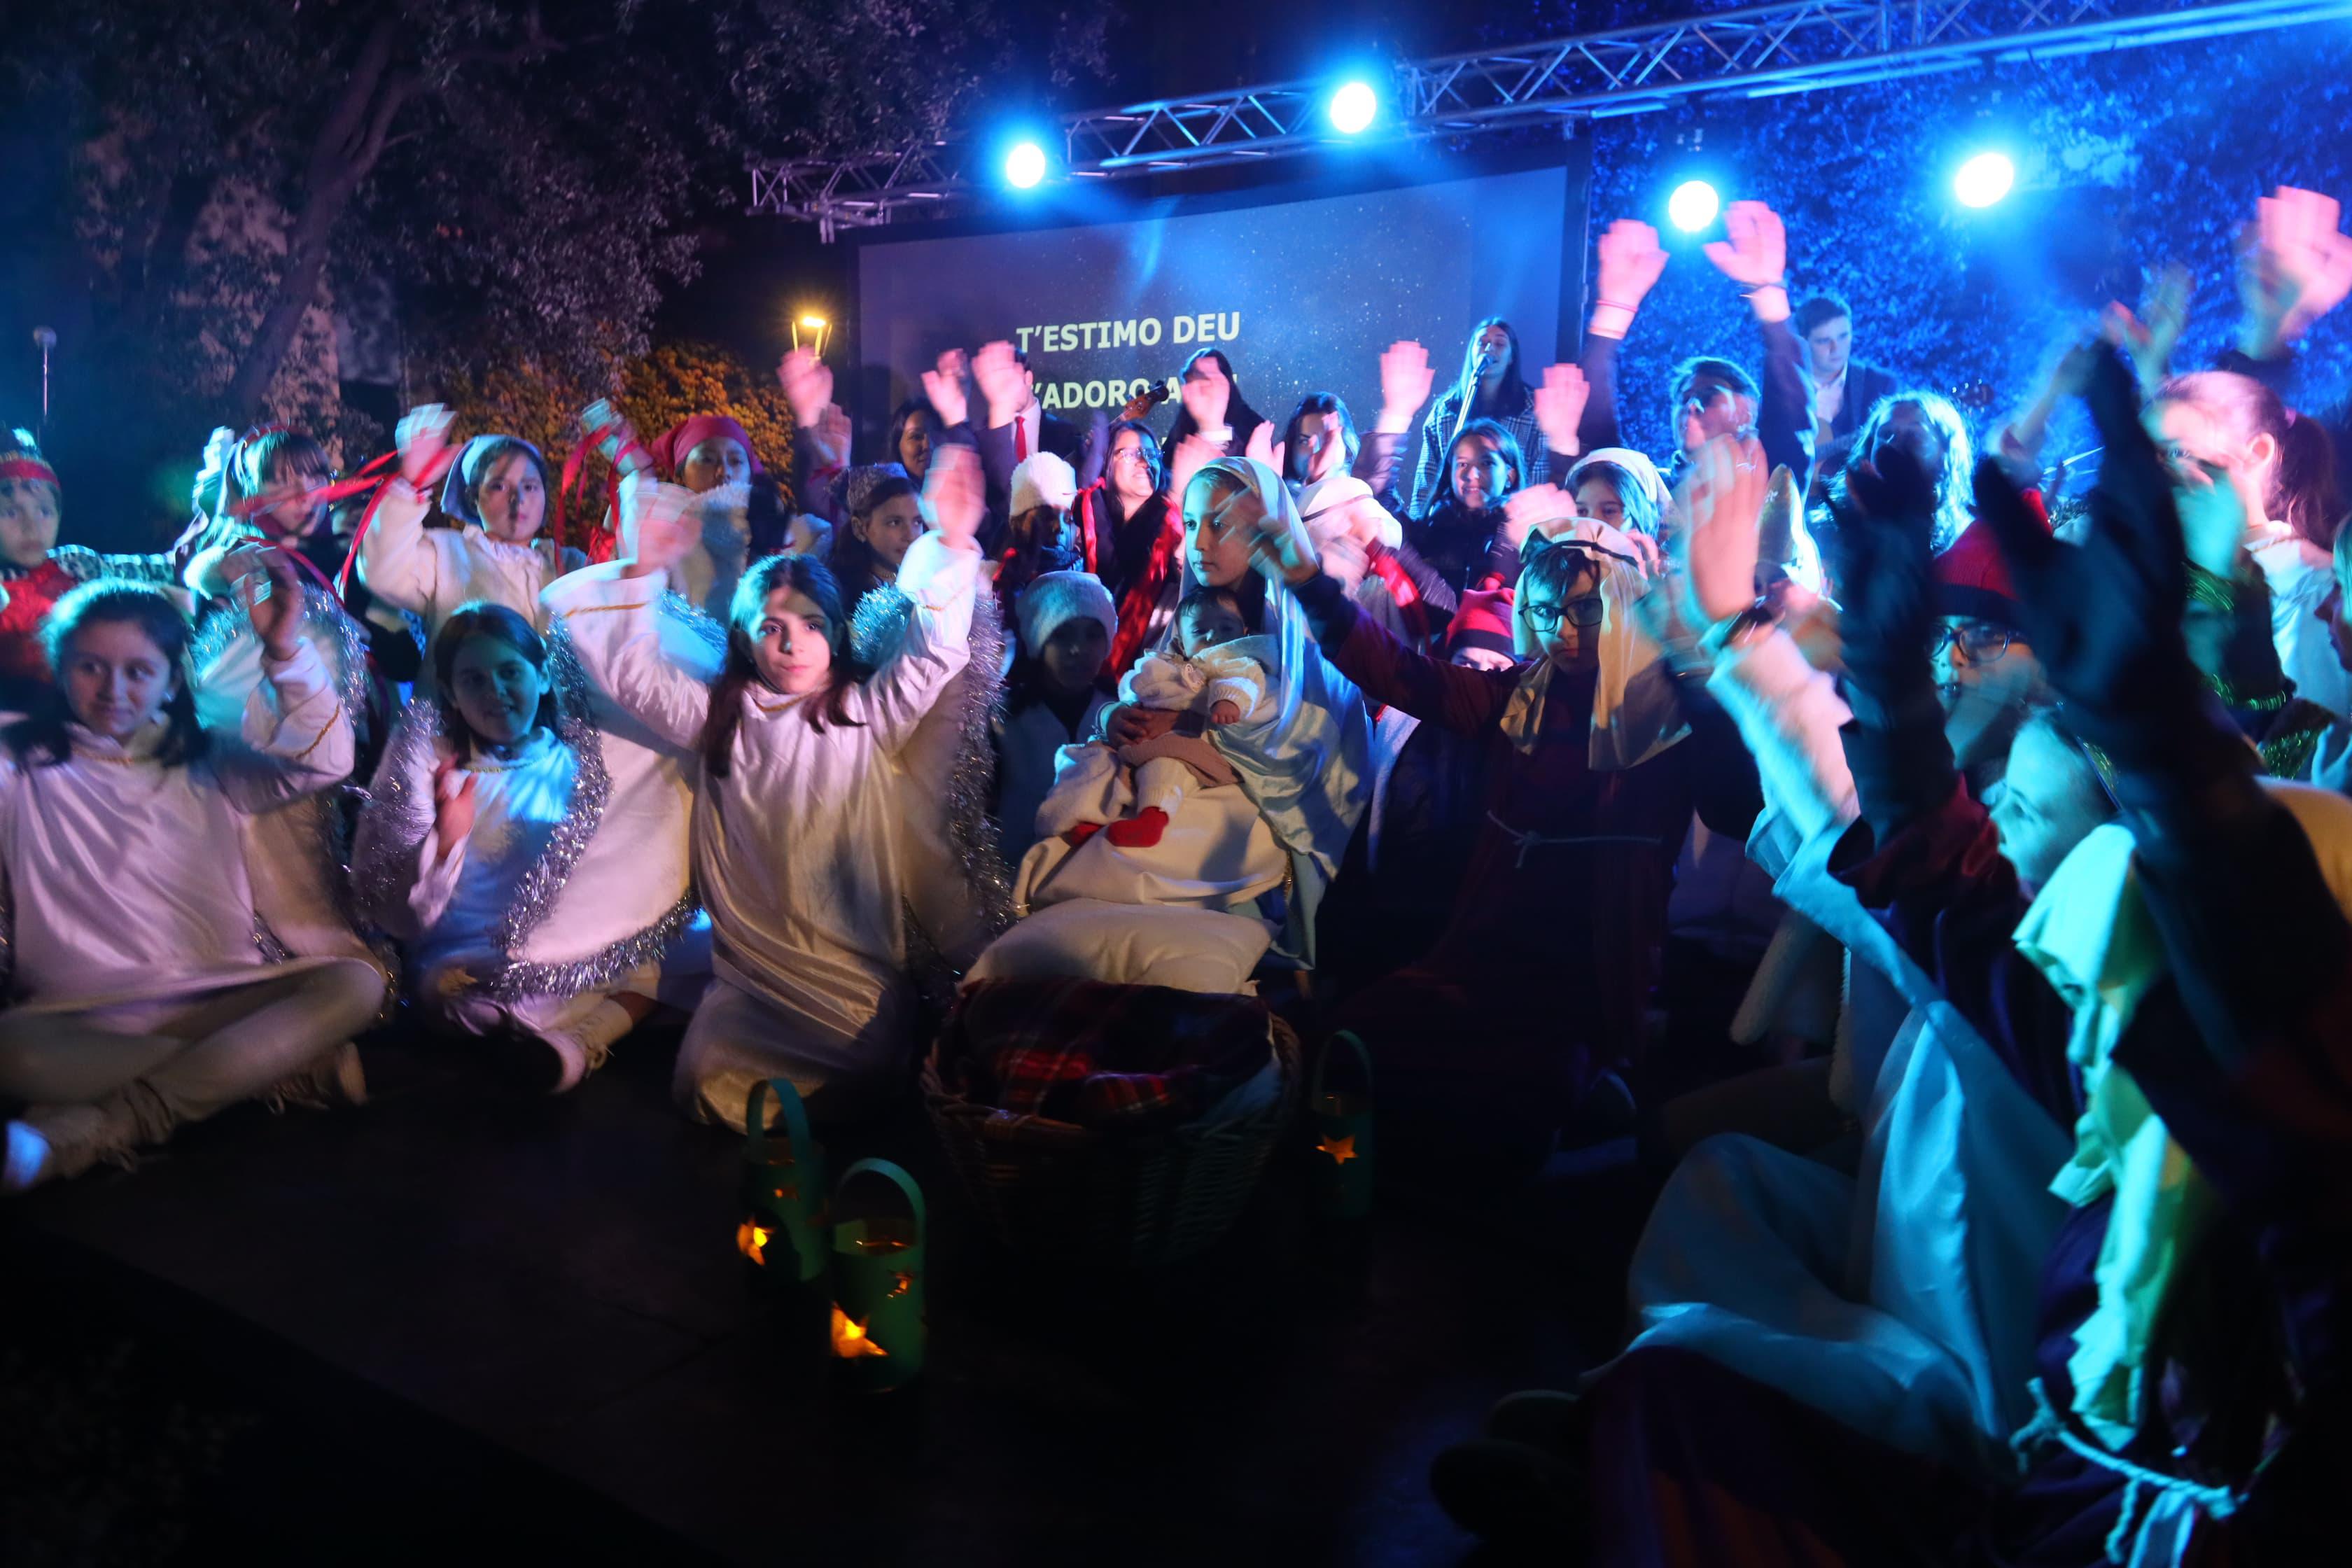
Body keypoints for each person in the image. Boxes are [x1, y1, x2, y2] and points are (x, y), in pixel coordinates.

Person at [1242, 474, 1760, 1169]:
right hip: (1483, 954)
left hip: (1588, 978)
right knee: (1353, 1042)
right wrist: (1309, 581)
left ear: (1622, 603)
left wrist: (1699, 670)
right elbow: (1399, 673)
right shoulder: (1517, 695)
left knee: (1510, 1121)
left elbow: (1735, 801)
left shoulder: (1672, 708)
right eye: (1547, 610)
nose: (1564, 629)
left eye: (1585, 608)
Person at [542, 442, 988, 1129]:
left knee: (869, 1063)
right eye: (771, 628)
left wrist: (952, 537)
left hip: (850, 966)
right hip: (756, 977)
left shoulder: (865, 714)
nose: (791, 642)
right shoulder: (719, 717)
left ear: (836, 634)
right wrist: (639, 567)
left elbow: (934, 650)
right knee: (702, 1081)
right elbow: (632, 675)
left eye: (810, 626)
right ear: (746, 641)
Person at [0, 563, 384, 1191]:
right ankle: (272, 1071)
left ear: (173, 680)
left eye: (138, 671)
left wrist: (285, 650)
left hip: (221, 999)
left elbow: (326, 763)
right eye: (90, 666)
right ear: (60, 667)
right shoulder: (17, 756)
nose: (112, 690)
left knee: (355, 982)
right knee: (8, 1055)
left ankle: (105, 1126)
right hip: (78, 1015)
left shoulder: (212, 758)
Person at [352, 603, 692, 1093]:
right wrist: (446, 837)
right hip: (467, 969)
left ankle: (572, 1047)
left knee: (682, 947)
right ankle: (576, 1033)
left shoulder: (582, 766)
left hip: (574, 955)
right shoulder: (434, 772)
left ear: (544, 676)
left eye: (510, 672)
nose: (496, 693)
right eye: (473, 680)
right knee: (461, 1001)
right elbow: (400, 915)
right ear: (450, 692)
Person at [357, 407, 587, 650]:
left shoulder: (569, 564)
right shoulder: (445, 553)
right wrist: (410, 485)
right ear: (473, 497)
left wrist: (631, 479)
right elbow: (382, 572)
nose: (518, 498)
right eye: (499, 486)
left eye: (530, 487)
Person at [1086, 586, 1277, 849]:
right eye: (1200, 631)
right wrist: (1117, 711)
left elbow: (1243, 681)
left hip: (1186, 747)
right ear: (1180, 643)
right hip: (1140, 738)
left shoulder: (1236, 660)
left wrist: (1227, 701)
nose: (1214, 637)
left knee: (1166, 766)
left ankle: (1153, 818)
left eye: (1227, 628)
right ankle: (1085, 815)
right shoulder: (1171, 663)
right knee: (1093, 757)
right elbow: (1136, 686)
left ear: (1244, 635)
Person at [0, 436, 183, 709]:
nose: (32, 527)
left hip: (91, 711)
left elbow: (161, 569)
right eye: (12, 513)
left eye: (45, 512)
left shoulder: (75, 564)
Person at [993, 571, 1115, 868]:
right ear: (1038, 639)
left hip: (1101, 873)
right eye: (1062, 634)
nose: (1078, 649)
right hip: (1016, 875)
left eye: (1092, 634)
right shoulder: (1002, 718)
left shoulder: (1118, 714)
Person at [1406, 318, 1548, 516]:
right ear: (1471, 352)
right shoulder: (1445, 410)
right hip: (1450, 523)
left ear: (1512, 357)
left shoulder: (1532, 409)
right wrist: (1419, 527)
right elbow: (1427, 478)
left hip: (1510, 525)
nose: (1490, 348)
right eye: (1482, 343)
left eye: (1500, 344)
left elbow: (1539, 478)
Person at [1793, 290, 1900, 469]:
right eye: (1823, 341)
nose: (1836, 348)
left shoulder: (1881, 386)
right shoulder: (1786, 389)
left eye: (1843, 336)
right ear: (1803, 342)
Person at [1158, 349, 1270, 473]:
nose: (1197, 388)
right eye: (1191, 380)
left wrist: (1213, 428)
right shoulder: (1179, 432)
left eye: (1206, 379)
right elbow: (1166, 476)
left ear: (1226, 384)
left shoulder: (1253, 429)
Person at [828, 465, 927, 605]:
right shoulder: (841, 594)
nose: (911, 535)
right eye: (895, 522)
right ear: (860, 529)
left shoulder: (935, 582)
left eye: (918, 522)